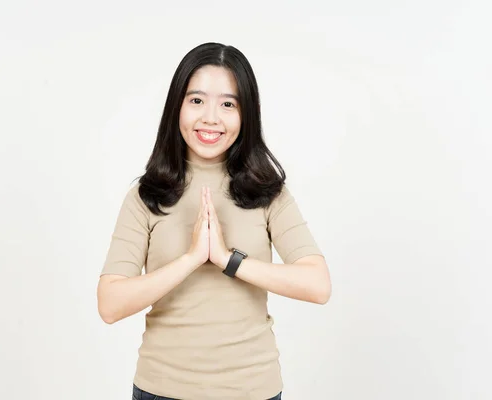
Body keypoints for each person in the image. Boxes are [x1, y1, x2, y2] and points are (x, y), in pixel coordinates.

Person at [96, 42, 331, 400]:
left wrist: (227, 260)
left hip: (253, 391)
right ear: (177, 106)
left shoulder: (268, 192)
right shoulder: (147, 195)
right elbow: (110, 304)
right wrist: (191, 259)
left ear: (245, 114)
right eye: (196, 101)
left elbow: (317, 285)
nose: (210, 118)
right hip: (161, 389)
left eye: (227, 104)